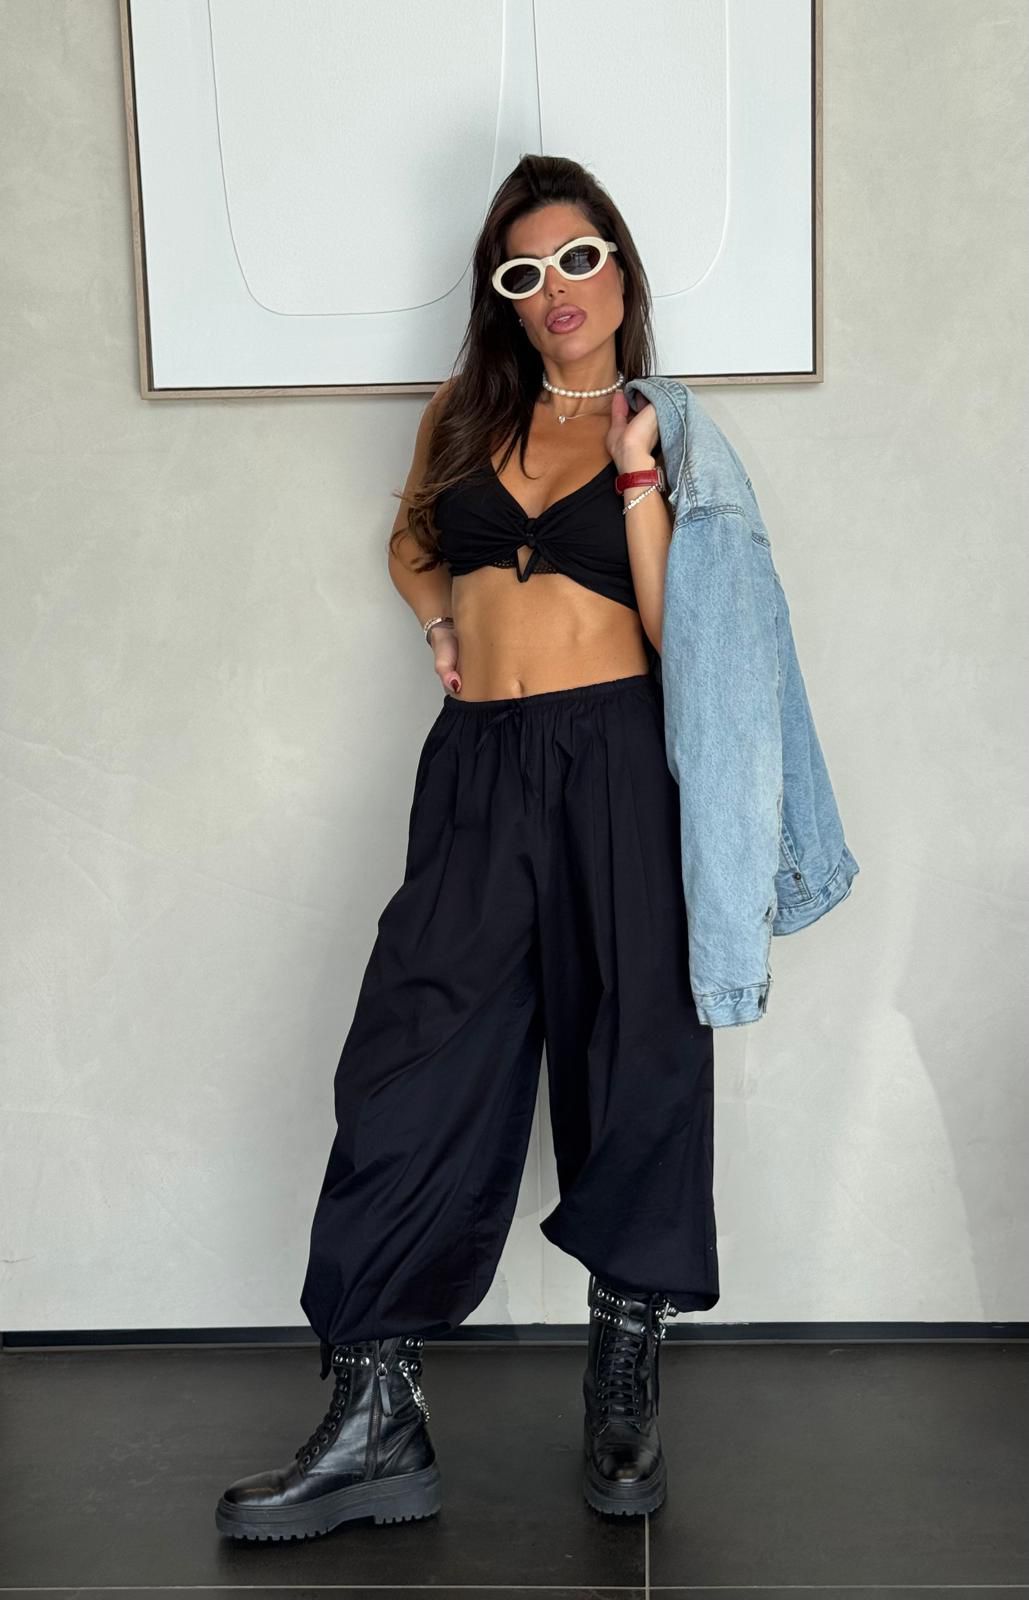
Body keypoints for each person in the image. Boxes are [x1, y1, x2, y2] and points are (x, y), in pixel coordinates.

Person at [215, 154, 718, 1543]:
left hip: (619, 762)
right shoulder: (465, 412)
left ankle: (623, 1380)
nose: (555, 289)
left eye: (578, 258)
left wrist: (633, 475)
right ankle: (375, 1418)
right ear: (500, 295)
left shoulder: (662, 424)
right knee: (409, 1053)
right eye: (523, 270)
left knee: (636, 1051)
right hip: (480, 767)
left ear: (619, 267)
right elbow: (410, 542)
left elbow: (682, 633)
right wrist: (442, 620)